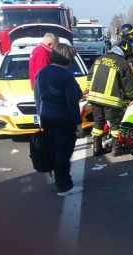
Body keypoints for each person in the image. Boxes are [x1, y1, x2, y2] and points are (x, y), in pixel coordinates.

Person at [34, 43, 83, 197]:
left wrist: (40, 115)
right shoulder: (66, 76)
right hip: (63, 118)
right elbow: (73, 101)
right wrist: (78, 124)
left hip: (46, 116)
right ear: (68, 59)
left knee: (54, 148)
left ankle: (60, 179)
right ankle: (64, 186)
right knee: (64, 151)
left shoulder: (42, 72)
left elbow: (37, 97)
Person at [87, 40, 133, 157]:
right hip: (111, 100)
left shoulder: (100, 59)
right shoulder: (122, 62)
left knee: (98, 122)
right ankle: (116, 149)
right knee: (114, 124)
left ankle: (97, 148)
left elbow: (89, 77)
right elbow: (128, 86)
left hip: (94, 97)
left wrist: (92, 90)